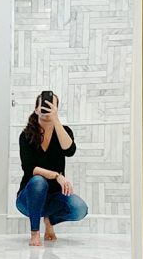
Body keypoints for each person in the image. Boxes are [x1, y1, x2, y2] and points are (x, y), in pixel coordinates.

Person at [16, 91, 89, 247]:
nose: (46, 108)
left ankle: (49, 220)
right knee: (38, 181)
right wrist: (57, 176)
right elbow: (30, 168)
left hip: (54, 197)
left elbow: (69, 151)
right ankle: (35, 233)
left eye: (51, 105)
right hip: (27, 199)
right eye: (43, 104)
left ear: (57, 109)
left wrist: (56, 121)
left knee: (80, 209)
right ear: (36, 109)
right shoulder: (26, 135)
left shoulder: (64, 131)